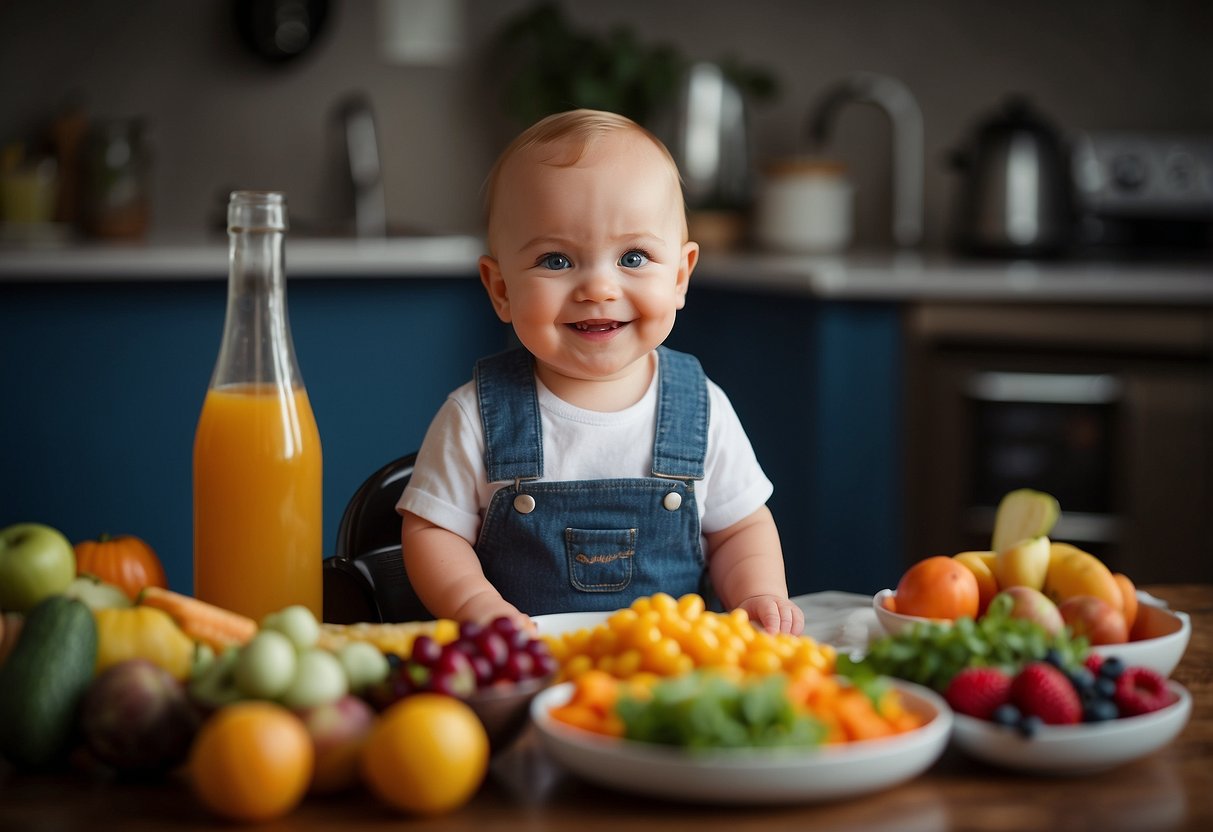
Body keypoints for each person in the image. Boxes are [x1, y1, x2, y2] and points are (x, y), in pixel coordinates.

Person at [397, 109, 803, 636]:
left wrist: (757, 593)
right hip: (529, 671)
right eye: (557, 261)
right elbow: (432, 531)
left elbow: (738, 529)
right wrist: (477, 605)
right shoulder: (475, 414)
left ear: (680, 277)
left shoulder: (702, 408)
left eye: (633, 258)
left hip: (669, 676)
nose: (599, 288)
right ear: (500, 289)